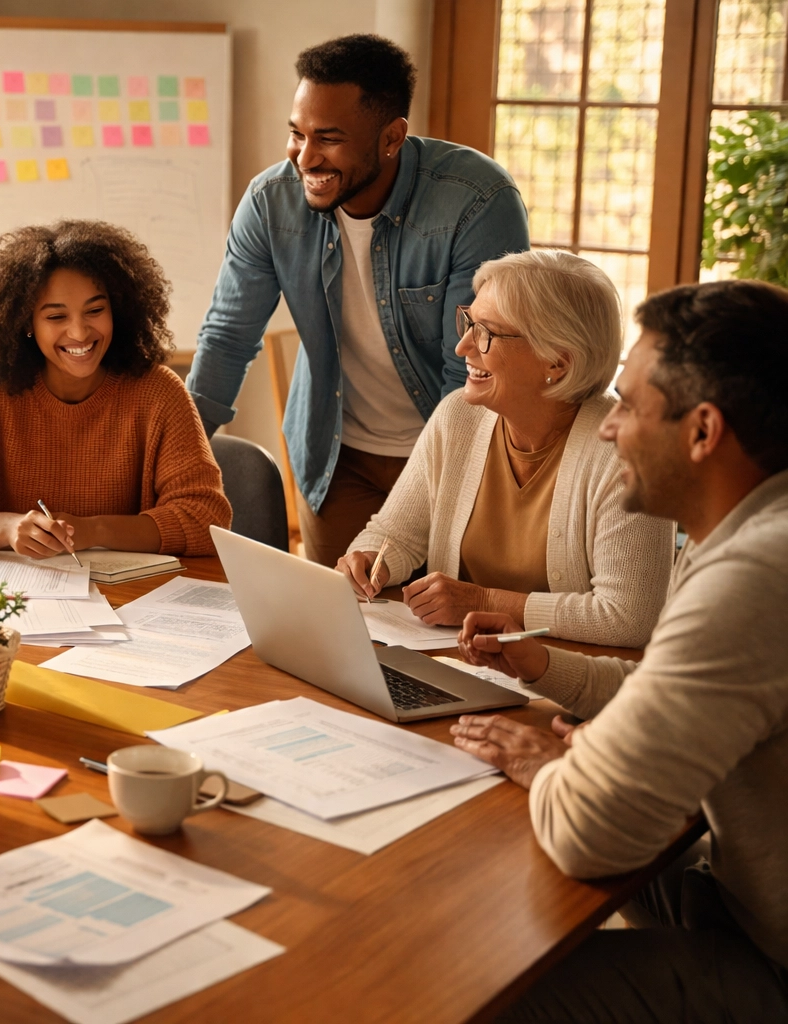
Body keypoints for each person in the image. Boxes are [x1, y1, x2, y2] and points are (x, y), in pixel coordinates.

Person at [448, 280, 788, 1021]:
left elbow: (588, 836)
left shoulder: (755, 576)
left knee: (476, 987)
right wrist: (550, 668)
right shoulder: (752, 526)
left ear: (702, 432)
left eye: (629, 406)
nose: (606, 429)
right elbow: (673, 689)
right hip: (738, 888)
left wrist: (553, 768)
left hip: (771, 960)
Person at [186, 34, 530, 569]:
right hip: (335, 458)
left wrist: (412, 510)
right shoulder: (270, 202)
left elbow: (466, 367)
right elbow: (228, 338)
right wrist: (177, 460)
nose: (305, 157)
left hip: (455, 453)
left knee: (442, 630)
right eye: (296, 134)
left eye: (328, 138)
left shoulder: (476, 202)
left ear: (392, 137)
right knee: (344, 628)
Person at [337, 251, 672, 646]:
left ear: (557, 362)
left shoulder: (628, 454)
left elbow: (629, 617)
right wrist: (370, 558)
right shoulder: (457, 418)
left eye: (486, 334)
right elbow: (395, 534)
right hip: (463, 664)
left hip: (572, 681)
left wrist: (484, 601)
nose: (462, 347)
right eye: (469, 323)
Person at [0, 221, 231, 557]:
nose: (80, 332)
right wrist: (8, 528)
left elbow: (207, 519)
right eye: (56, 317)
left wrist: (93, 529)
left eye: (95, 311)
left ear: (118, 309)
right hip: (11, 600)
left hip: (133, 598)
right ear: (27, 322)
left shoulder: (159, 392)